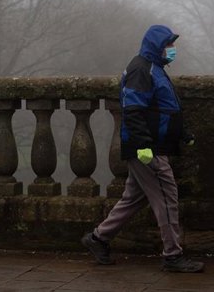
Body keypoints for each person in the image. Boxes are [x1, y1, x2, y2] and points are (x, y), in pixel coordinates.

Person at [81, 24, 204, 273]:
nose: (172, 49)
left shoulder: (154, 68)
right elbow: (133, 110)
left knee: (132, 199)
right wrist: (144, 146)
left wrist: (182, 133)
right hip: (148, 149)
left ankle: (97, 238)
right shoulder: (141, 69)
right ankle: (173, 255)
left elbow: (164, 107)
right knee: (168, 198)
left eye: (172, 45)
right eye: (168, 45)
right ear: (156, 46)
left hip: (151, 146)